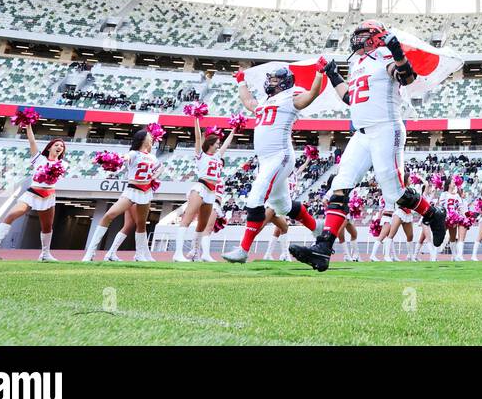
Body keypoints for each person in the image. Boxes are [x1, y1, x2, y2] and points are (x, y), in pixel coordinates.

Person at [292, 23, 447, 272]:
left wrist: (396, 51)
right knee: (340, 186)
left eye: (363, 35)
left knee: (396, 193)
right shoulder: (358, 63)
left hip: (386, 128)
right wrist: (333, 74)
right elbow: (349, 98)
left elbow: (407, 77)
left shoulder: (385, 56)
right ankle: (322, 249)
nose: (357, 40)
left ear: (376, 38)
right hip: (361, 134)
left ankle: (432, 214)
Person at [223, 60, 327, 263]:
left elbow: (310, 96)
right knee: (284, 206)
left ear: (285, 82)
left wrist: (319, 74)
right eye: (270, 78)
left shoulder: (291, 97)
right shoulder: (264, 101)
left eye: (275, 79)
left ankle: (243, 250)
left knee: (255, 198)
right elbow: (249, 102)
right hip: (266, 159)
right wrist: (241, 82)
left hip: (280, 156)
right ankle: (317, 228)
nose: (271, 81)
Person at [0, 126, 67, 262]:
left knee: (47, 226)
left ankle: (45, 254)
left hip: (48, 195)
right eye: (56, 145)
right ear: (50, 147)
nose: (59, 147)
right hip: (32, 193)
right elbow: (32, 141)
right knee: (10, 215)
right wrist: (28, 127)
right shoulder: (39, 158)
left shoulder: (63, 164)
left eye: (62, 146)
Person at [82, 128, 161, 263]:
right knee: (109, 215)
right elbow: (126, 157)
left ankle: (139, 255)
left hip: (146, 192)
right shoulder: (134, 153)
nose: (152, 138)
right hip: (132, 190)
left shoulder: (153, 157)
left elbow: (159, 169)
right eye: (149, 136)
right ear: (142, 139)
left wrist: (153, 177)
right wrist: (115, 159)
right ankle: (90, 252)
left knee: (141, 224)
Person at [173, 114, 236, 261]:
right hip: (201, 188)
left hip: (211, 193)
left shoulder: (218, 156)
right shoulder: (201, 155)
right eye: (216, 143)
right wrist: (196, 120)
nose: (219, 145)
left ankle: (196, 253)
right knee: (187, 220)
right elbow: (197, 138)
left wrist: (234, 129)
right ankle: (177, 254)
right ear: (210, 144)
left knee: (202, 225)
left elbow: (227, 143)